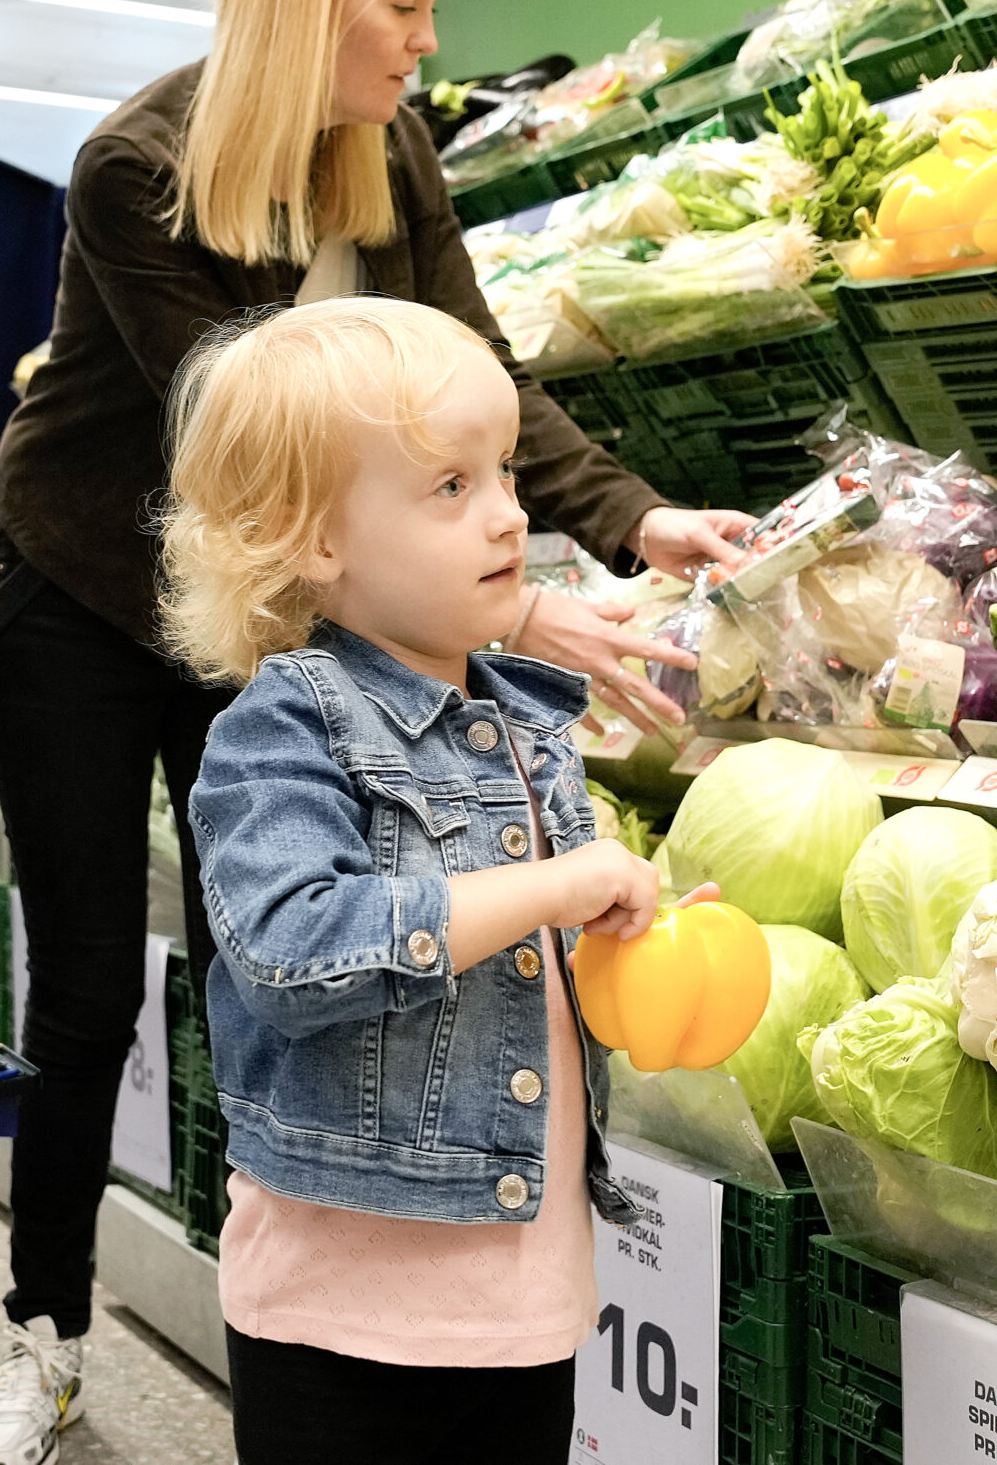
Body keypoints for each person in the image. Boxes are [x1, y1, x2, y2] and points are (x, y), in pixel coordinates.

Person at [0, 0, 745, 1465]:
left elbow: (472, 378)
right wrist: (508, 608)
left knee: (270, 961)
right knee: (92, 981)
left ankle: (294, 1279)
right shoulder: (134, 169)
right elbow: (258, 451)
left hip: (278, 599)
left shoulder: (390, 151)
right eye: (405, 3)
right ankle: (45, 1331)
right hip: (93, 594)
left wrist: (635, 515)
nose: (428, 39)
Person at [164, 295, 659, 1463]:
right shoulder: (284, 728)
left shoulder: (522, 720)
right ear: (313, 541)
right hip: (345, 1312)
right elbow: (296, 952)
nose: (507, 514)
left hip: (523, 1288)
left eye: (504, 474)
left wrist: (631, 944)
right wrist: (552, 891)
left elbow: (523, 980)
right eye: (450, 486)